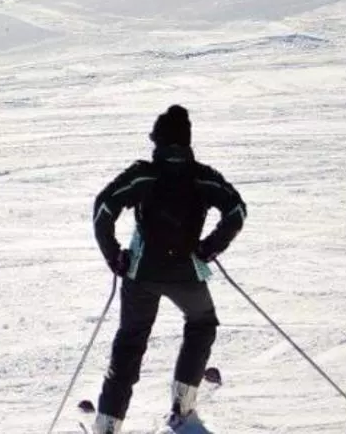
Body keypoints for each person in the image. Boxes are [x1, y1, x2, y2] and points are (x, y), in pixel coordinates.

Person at [84, 105, 246, 433]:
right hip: (185, 273)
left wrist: (114, 255)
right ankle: (183, 403)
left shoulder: (145, 173)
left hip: (140, 274)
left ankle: (107, 425)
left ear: (158, 141)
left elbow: (104, 209)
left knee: (130, 342)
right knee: (202, 322)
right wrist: (210, 246)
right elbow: (237, 211)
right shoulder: (201, 175)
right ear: (186, 142)